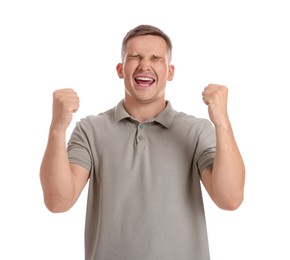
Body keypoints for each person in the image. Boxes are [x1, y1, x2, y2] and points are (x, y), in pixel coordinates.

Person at [40, 24, 245, 260]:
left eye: (156, 58)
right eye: (134, 56)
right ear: (120, 69)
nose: (144, 64)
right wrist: (57, 128)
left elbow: (230, 199)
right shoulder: (90, 130)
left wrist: (222, 123)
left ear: (170, 72)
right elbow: (58, 201)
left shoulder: (196, 131)